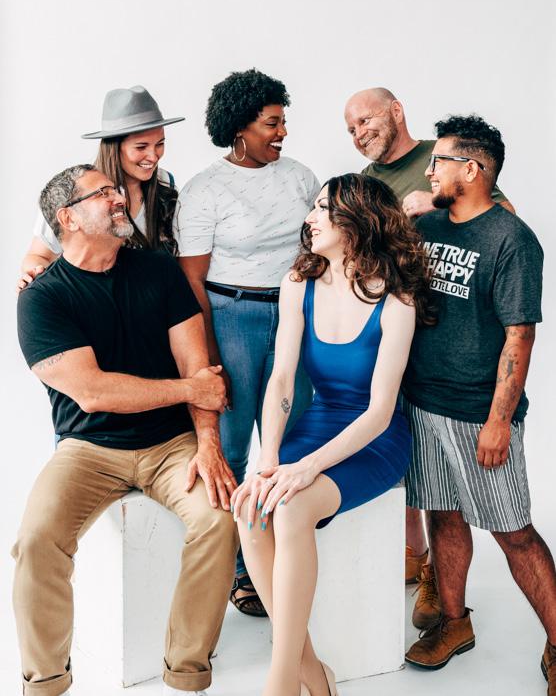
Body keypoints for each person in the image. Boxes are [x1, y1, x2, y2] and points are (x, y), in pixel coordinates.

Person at [14, 164, 238, 696]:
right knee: (37, 540)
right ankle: (46, 682)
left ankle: (186, 671)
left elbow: (198, 368)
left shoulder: (157, 270)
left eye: (117, 190)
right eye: (103, 193)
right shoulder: (42, 298)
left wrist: (208, 443)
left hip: (171, 445)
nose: (119, 198)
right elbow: (94, 392)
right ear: (67, 217)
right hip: (87, 449)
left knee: (218, 522)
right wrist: (190, 391)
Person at [231, 173, 435, 696]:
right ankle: (312, 672)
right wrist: (269, 458)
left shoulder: (397, 300)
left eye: (323, 208)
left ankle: (281, 681)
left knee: (291, 508)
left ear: (357, 220)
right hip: (317, 422)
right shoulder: (299, 282)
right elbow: (282, 379)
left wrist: (306, 468)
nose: (310, 218)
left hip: (376, 439)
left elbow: (380, 411)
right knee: (252, 507)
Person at [344, 86, 515, 628]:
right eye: (350, 129)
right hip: (393, 341)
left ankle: (435, 581)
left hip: (455, 353)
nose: (358, 134)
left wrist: (435, 201)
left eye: (365, 120)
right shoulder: (368, 181)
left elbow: (504, 217)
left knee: (461, 488)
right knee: (410, 462)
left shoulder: (441, 159)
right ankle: (417, 556)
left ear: (396, 111)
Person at [400, 115, 556, 694]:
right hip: (423, 403)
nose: (429, 171)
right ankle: (454, 622)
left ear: (471, 169)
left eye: (437, 162)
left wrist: (498, 421)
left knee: (513, 533)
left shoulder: (511, 240)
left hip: (478, 414)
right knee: (443, 516)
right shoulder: (426, 227)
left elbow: (520, 336)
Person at [175, 69, 319, 617]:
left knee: (292, 438)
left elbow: (319, 247)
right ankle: (239, 568)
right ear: (240, 127)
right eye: (271, 123)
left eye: (283, 122)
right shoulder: (206, 189)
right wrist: (209, 354)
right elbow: (192, 280)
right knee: (232, 446)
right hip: (231, 316)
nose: (282, 132)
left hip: (295, 314)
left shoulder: (300, 177)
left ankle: (286, 556)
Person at [19, 85, 183, 290]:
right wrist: (35, 278)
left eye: (160, 143)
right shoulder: (75, 192)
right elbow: (38, 256)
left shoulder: (166, 183)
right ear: (114, 147)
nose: (154, 156)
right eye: (141, 147)